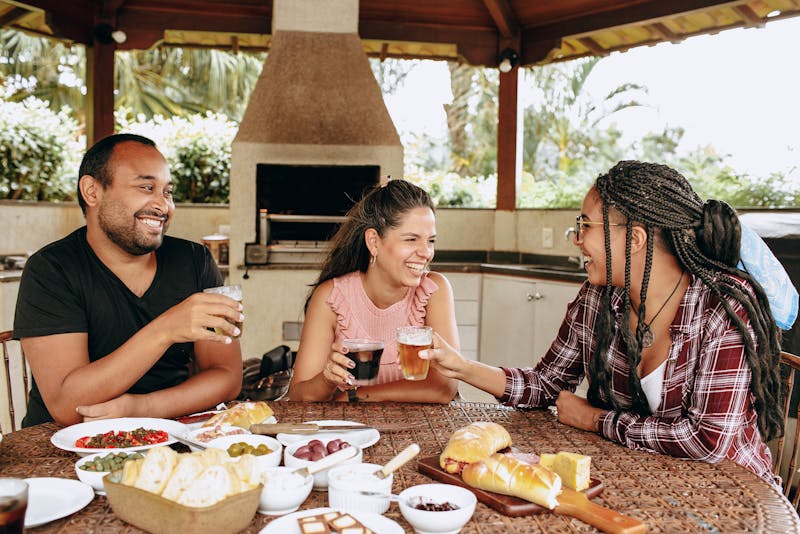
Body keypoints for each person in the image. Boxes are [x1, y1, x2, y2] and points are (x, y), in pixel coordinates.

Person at [421, 161, 783, 482]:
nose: (578, 239)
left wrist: (593, 419)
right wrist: (461, 366)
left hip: (731, 489)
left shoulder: (721, 308)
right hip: (646, 478)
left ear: (636, 238)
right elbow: (546, 384)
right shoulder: (599, 298)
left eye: (586, 225)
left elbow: (707, 440)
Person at [13, 133, 244, 427]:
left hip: (169, 432)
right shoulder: (51, 270)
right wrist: (165, 330)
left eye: (167, 192)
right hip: (63, 446)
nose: (163, 205)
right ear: (92, 192)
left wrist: (141, 408)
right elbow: (68, 407)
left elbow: (226, 375)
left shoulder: (195, 261)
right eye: (146, 187)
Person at [288, 179, 459, 403]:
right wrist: (326, 380)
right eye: (411, 240)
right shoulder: (331, 297)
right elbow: (299, 396)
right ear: (374, 242)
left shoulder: (434, 291)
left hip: (422, 431)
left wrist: (358, 396)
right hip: (351, 434)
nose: (426, 253)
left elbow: (444, 387)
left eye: (431, 241)